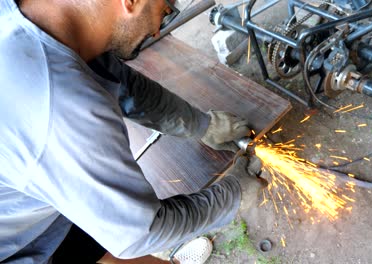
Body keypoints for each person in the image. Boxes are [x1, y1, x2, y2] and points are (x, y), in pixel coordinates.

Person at [0, 0, 263, 263]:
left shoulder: (42, 18)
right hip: (15, 248)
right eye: (165, 9)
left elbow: (120, 83)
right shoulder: (64, 106)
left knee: (102, 249)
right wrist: (233, 193)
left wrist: (202, 125)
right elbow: (142, 232)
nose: (158, 30)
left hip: (32, 195)